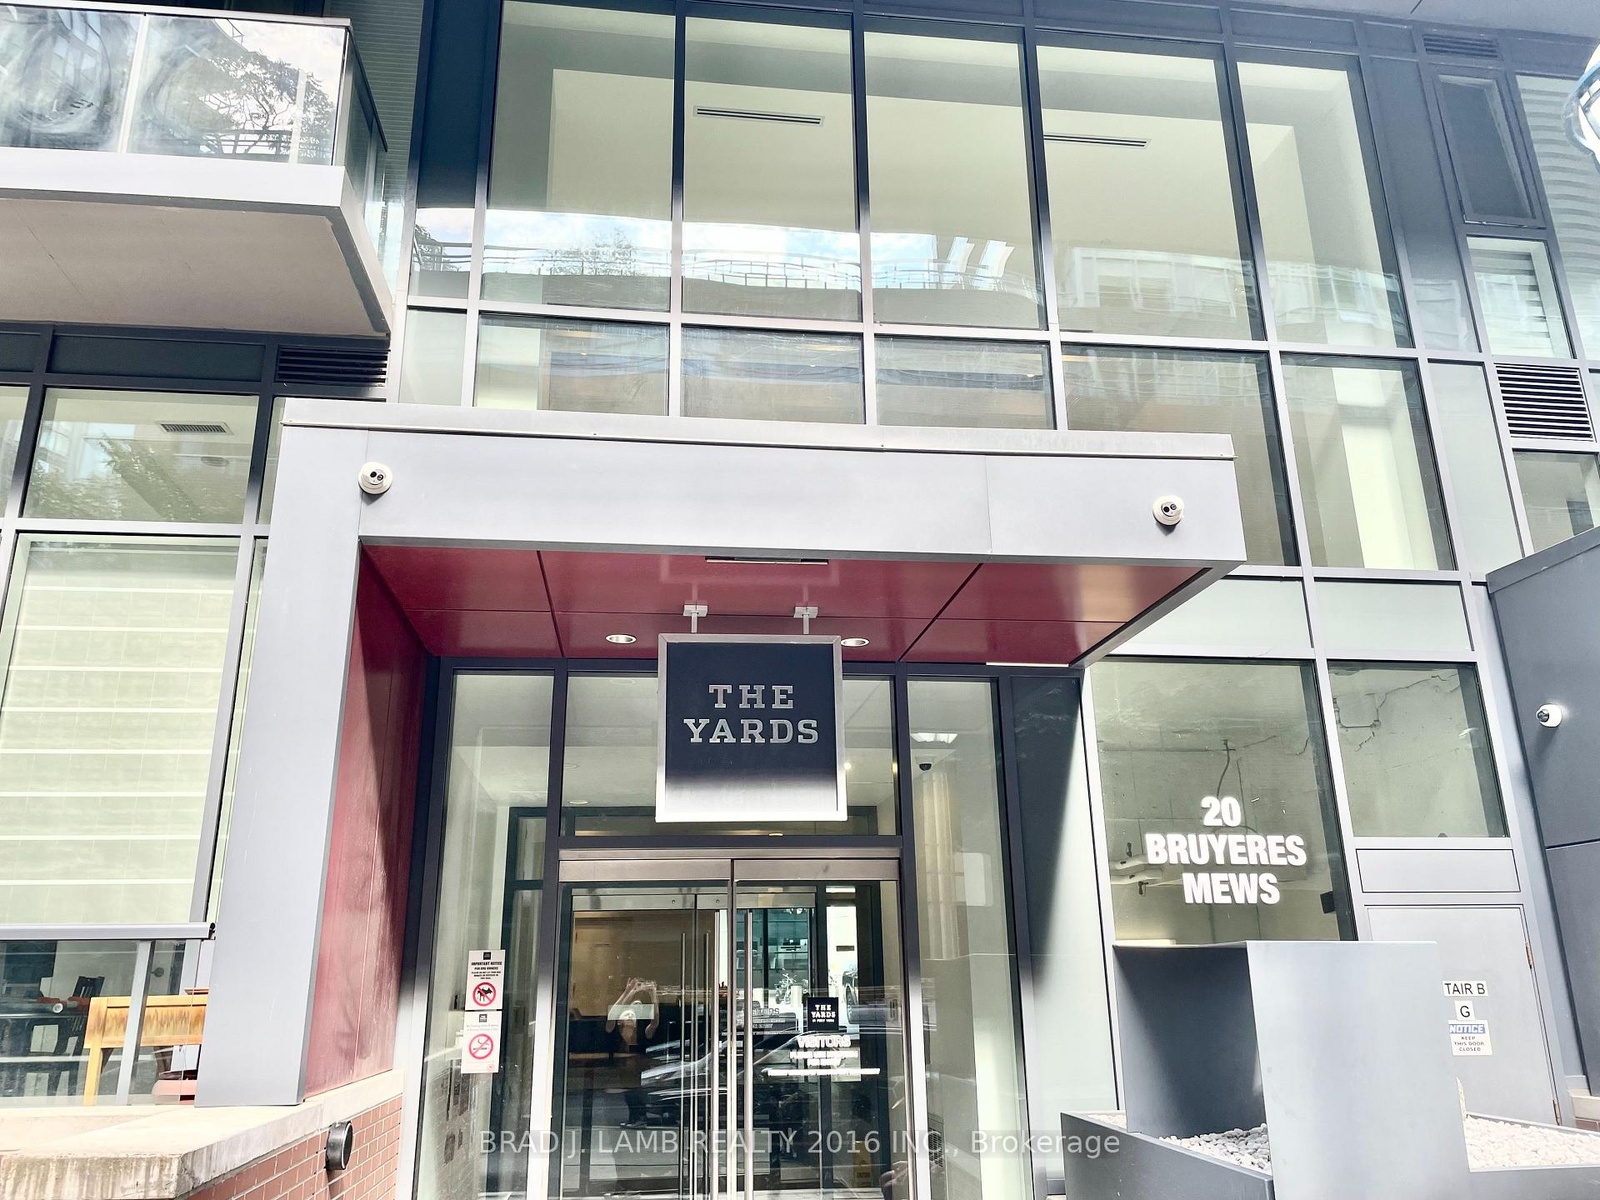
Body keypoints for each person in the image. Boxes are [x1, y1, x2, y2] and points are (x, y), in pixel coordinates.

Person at [606, 977, 659, 1127]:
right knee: (628, 1092)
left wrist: (653, 994)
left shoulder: (643, 1034)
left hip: (637, 1071)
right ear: (620, 1021)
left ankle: (640, 1117)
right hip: (623, 1070)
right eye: (627, 1014)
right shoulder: (614, 1033)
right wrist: (628, 991)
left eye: (633, 1015)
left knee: (634, 1091)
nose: (630, 1016)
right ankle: (635, 1118)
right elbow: (613, 1014)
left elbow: (655, 1021)